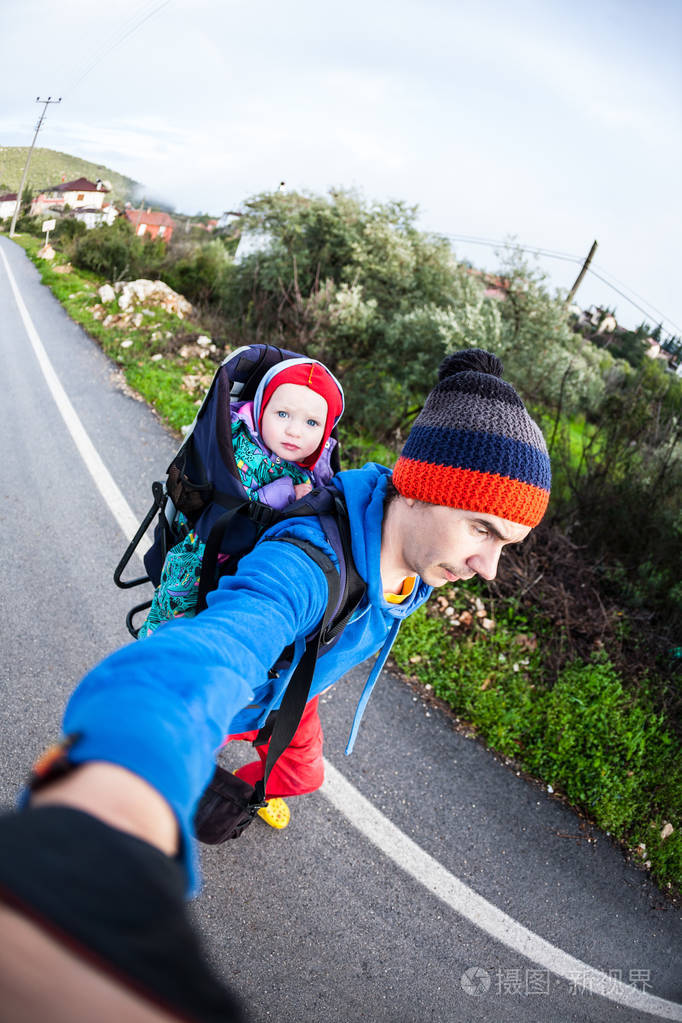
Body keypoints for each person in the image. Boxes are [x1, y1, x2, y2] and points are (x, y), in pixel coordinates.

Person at [0, 348, 550, 1021]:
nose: (489, 566)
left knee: (301, 774)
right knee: (196, 748)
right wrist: (115, 800)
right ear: (417, 487)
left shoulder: (417, 548)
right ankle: (186, 784)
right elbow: (209, 655)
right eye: (482, 529)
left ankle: (252, 781)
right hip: (243, 696)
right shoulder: (305, 564)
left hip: (295, 690)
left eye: (506, 544)